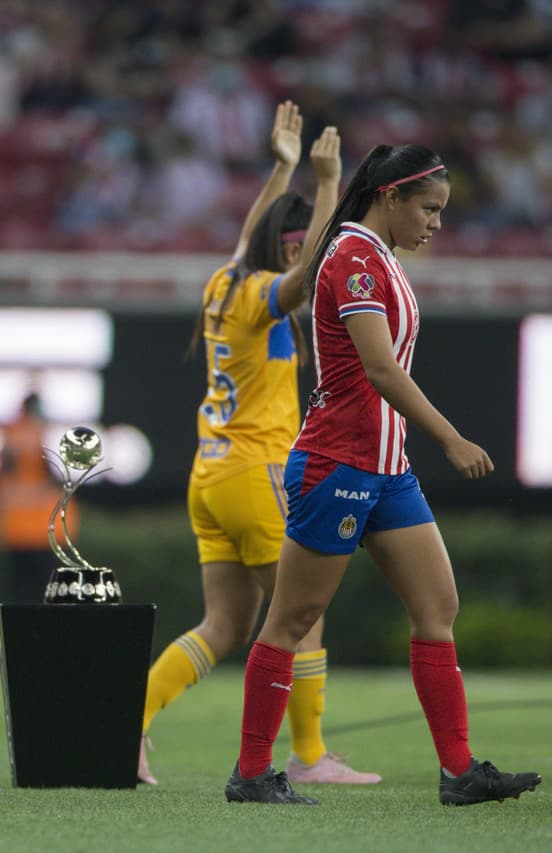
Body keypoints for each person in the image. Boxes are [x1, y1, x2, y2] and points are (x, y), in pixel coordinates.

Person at [223, 144, 544, 806]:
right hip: (338, 462)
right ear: (391, 197)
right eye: (428, 209)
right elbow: (380, 369)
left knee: (437, 608)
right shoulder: (355, 258)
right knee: (292, 616)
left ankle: (458, 771)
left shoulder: (378, 256)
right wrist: (451, 437)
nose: (436, 224)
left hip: (386, 467)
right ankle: (250, 771)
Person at [141, 102, 380, 787]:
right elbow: (310, 274)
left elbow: (257, 241)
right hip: (255, 472)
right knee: (302, 613)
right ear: (287, 246)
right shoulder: (261, 296)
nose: (301, 253)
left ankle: (127, 724)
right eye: (296, 243)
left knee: (224, 624)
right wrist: (333, 185)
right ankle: (307, 755)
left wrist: (282, 166)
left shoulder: (224, 283)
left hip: (210, 474)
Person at [0, 390, 72, 604]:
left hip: (35, 530)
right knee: (34, 596)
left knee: (31, 596)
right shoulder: (18, 438)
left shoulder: (33, 437)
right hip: (29, 530)